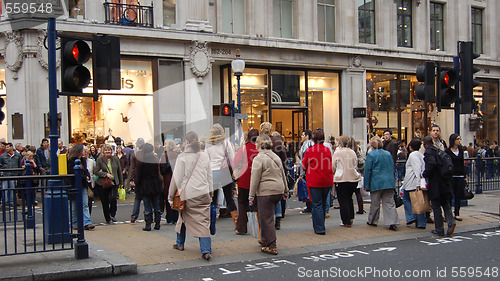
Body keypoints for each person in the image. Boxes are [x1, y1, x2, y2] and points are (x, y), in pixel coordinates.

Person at [170, 131, 213, 261]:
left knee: (182, 217)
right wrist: (211, 192)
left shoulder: (182, 157)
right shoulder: (205, 156)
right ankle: (206, 250)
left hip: (187, 194)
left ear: (186, 142)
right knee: (203, 222)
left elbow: (176, 179)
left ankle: (180, 243)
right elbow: (209, 177)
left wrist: (171, 197)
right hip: (203, 192)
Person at [249, 134, 288, 255]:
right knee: (265, 216)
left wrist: (251, 196)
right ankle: (264, 240)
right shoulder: (275, 157)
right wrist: (286, 190)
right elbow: (282, 174)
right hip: (278, 189)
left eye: (256, 143)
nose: (255, 145)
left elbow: (254, 179)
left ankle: (272, 245)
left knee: (266, 218)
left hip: (266, 191)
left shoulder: (258, 158)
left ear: (260, 144)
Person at [205, 124, 238, 229]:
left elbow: (206, 160)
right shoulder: (226, 143)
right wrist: (234, 172)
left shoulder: (208, 145)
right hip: (224, 172)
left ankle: (211, 223)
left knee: (212, 199)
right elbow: (232, 159)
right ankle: (237, 222)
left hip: (213, 172)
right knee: (229, 197)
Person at [422, 136, 456, 236]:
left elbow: (432, 164)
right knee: (445, 204)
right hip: (445, 182)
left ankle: (439, 229)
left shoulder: (429, 152)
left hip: (436, 183)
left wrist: (425, 174)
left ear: (424, 143)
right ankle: (451, 222)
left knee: (436, 206)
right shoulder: (438, 150)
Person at [364, 136, 399, 231]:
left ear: (372, 145)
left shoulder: (371, 155)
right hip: (389, 181)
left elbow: (367, 170)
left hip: (376, 182)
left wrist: (366, 184)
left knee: (375, 203)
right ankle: (392, 222)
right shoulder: (388, 154)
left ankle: (372, 220)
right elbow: (392, 167)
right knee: (389, 203)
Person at [302, 130, 333, 235]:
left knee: (316, 204)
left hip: (315, 180)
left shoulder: (310, 150)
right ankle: (321, 224)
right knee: (323, 203)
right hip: (327, 179)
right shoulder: (327, 150)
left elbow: (304, 165)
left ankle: (319, 227)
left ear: (313, 139)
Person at [233, 128, 259, 235]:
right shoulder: (260, 149)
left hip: (244, 179)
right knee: (256, 205)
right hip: (257, 180)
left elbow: (235, 162)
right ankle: (257, 228)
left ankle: (242, 227)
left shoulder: (244, 148)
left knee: (242, 203)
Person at [332, 136, 361, 228]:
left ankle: (346, 221)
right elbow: (355, 163)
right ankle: (351, 217)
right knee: (349, 198)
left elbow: (333, 166)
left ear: (340, 143)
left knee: (343, 200)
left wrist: (333, 173)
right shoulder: (352, 152)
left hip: (341, 178)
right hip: (353, 178)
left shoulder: (337, 153)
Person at [135, 143, 163, 231]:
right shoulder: (155, 159)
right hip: (155, 184)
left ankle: (148, 225)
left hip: (145, 185)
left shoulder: (141, 161)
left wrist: (137, 186)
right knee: (156, 204)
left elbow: (138, 176)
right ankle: (157, 223)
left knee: (147, 206)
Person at [67, 144, 95, 230]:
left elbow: (86, 171)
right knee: (74, 205)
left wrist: (87, 176)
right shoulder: (70, 161)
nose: (85, 152)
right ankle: (74, 222)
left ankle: (87, 221)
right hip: (74, 185)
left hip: (83, 185)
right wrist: (84, 177)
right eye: (83, 150)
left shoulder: (83, 160)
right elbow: (72, 173)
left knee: (85, 204)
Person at [401, 138, 426, 229]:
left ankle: (411, 217)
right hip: (416, 182)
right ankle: (421, 222)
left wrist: (418, 182)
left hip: (412, 182)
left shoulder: (412, 155)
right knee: (419, 202)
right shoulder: (421, 155)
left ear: (410, 147)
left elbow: (417, 169)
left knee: (407, 199)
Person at [95, 144, 123, 224]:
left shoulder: (115, 159)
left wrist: (121, 182)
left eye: (109, 150)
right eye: (106, 150)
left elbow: (119, 171)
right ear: (103, 151)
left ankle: (112, 214)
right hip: (103, 183)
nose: (108, 152)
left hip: (114, 182)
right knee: (105, 201)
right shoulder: (99, 160)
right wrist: (105, 174)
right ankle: (107, 218)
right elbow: (96, 171)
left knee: (113, 198)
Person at [445, 134, 466, 222]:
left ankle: (457, 213)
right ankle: (448, 213)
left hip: (460, 175)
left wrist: (464, 176)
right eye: (457, 139)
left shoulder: (460, 150)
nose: (459, 141)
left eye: (459, 139)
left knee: (458, 195)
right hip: (451, 176)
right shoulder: (448, 151)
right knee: (449, 195)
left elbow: (462, 163)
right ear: (453, 140)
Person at [160, 139, 180, 224]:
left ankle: (169, 218)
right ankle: (176, 217)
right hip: (176, 177)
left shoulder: (164, 156)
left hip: (167, 179)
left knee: (168, 197)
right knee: (175, 197)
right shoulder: (177, 155)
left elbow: (162, 169)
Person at [129, 138, 145, 223]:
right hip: (145, 179)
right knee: (146, 199)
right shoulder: (148, 154)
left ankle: (134, 216)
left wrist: (131, 179)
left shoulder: (134, 155)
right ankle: (148, 215)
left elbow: (132, 168)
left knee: (137, 199)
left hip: (137, 178)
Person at [299, 129, 314, 214]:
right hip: (309, 169)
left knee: (307, 188)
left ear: (307, 136)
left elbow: (305, 159)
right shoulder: (309, 144)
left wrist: (302, 172)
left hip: (307, 170)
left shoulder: (307, 144)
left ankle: (309, 206)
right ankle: (309, 205)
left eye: (303, 135)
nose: (301, 136)